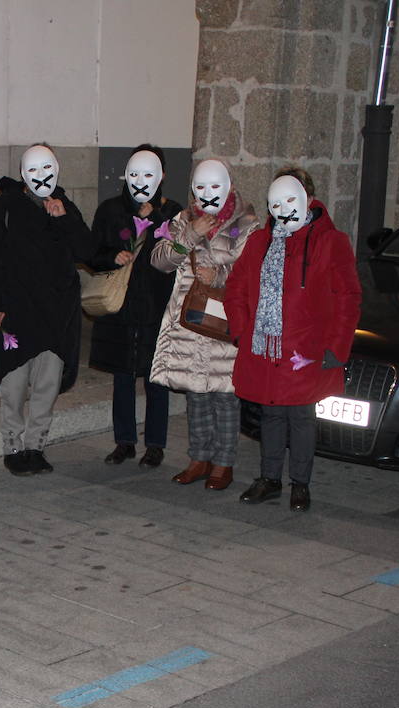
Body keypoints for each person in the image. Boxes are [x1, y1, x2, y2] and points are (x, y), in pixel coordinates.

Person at [224, 167, 361, 512]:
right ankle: (270, 478)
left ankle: (300, 484)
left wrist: (336, 346)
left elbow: (348, 298)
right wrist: (242, 331)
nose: (283, 211)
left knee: (301, 417)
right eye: (276, 203)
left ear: (308, 199)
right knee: (270, 415)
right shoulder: (259, 242)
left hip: (306, 350)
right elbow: (236, 290)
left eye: (290, 200)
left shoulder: (331, 243)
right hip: (266, 348)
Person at [0, 144, 93, 475]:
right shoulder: (5, 206)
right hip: (15, 310)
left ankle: (35, 446)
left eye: (47, 169)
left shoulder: (64, 205)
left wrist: (64, 219)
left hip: (57, 313)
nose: (42, 176)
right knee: (13, 383)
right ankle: (12, 445)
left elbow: (86, 250)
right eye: (34, 170)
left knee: (47, 383)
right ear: (23, 174)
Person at [149, 158, 260, 491]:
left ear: (228, 185)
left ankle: (223, 464)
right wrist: (189, 237)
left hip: (225, 322)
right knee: (196, 393)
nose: (207, 194)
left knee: (225, 396)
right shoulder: (183, 219)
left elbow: (254, 273)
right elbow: (160, 261)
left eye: (215, 186)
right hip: (190, 322)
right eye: (200, 187)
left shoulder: (248, 224)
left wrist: (222, 276)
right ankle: (199, 459)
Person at [88, 145, 182, 468]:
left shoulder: (172, 213)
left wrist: (155, 218)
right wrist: (112, 256)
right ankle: (124, 441)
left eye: (149, 173)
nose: (141, 181)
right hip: (121, 306)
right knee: (123, 376)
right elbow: (92, 252)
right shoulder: (111, 210)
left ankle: (155, 444)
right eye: (135, 173)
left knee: (157, 378)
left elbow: (179, 254)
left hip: (157, 306)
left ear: (162, 175)